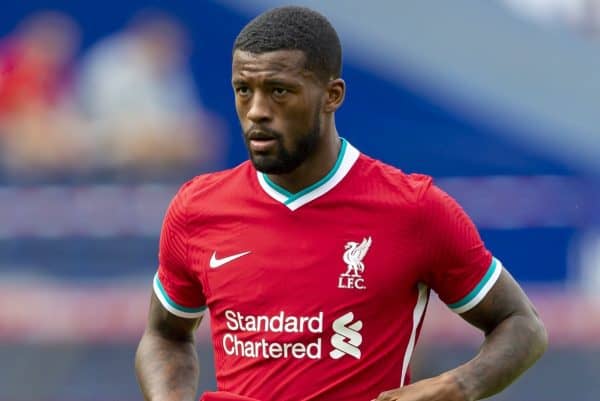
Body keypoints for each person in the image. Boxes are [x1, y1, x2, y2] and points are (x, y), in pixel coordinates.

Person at [135, 6, 547, 401]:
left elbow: (522, 325)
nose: (256, 111)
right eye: (244, 90)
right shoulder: (197, 208)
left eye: (279, 91)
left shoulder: (414, 209)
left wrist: (459, 386)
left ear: (332, 95)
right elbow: (165, 334)